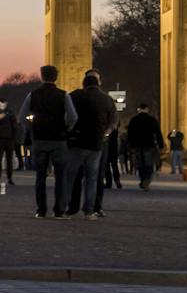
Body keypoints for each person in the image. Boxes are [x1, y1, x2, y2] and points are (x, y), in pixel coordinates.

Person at [20, 65, 76, 218]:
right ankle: (59, 210)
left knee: (40, 177)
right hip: (58, 140)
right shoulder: (63, 95)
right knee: (61, 176)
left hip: (39, 139)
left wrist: (33, 128)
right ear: (56, 77)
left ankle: (41, 210)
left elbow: (22, 117)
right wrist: (66, 129)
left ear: (42, 76)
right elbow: (73, 117)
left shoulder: (33, 95)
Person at [63, 71, 118, 218]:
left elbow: (66, 117)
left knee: (71, 177)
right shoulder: (107, 99)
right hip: (96, 143)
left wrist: (68, 132)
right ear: (98, 83)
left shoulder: (74, 96)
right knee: (92, 179)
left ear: (83, 83)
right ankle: (89, 210)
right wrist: (104, 134)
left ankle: (67, 207)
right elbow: (113, 122)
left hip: (76, 142)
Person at [125, 102, 165, 190]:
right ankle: (147, 180)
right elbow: (158, 133)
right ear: (147, 109)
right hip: (149, 144)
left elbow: (130, 134)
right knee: (148, 163)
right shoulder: (152, 120)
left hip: (137, 145)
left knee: (140, 164)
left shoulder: (134, 120)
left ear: (138, 110)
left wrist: (130, 146)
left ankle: (143, 179)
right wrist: (161, 145)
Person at [0, 100, 18, 191]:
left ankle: (10, 178)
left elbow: (14, 126)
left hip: (8, 139)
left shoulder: (10, 113)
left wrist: (14, 138)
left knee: (9, 160)